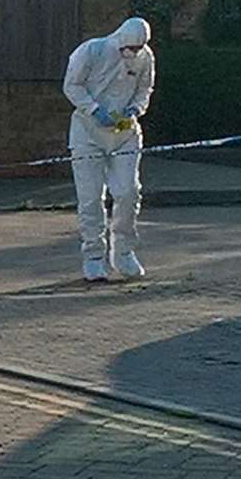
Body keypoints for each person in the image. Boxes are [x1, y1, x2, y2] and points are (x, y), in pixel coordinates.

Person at [63, 16, 155, 282]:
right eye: (130, 49)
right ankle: (93, 257)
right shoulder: (91, 50)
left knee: (128, 192)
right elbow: (71, 85)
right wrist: (94, 110)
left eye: (138, 49)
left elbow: (144, 89)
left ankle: (124, 252)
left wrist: (135, 109)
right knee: (91, 198)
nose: (133, 54)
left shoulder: (145, 57)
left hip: (125, 133)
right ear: (119, 40)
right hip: (87, 132)